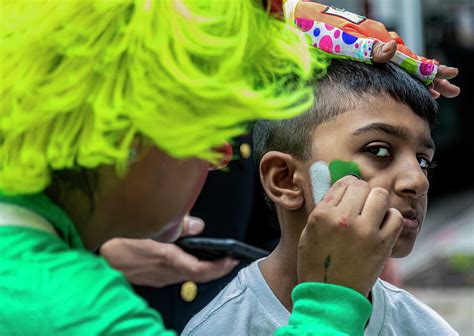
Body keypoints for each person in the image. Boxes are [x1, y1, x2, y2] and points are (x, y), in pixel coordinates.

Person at [0, 1, 421, 335]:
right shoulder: (70, 310)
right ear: (128, 131)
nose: (220, 157)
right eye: (208, 129)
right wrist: (332, 304)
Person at [181, 59, 458, 335]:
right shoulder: (222, 328)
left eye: (423, 161)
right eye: (379, 151)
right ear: (285, 179)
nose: (418, 181)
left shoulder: (427, 328)